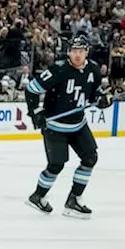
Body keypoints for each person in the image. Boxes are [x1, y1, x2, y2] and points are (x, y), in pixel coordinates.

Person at [25, 35, 112, 217]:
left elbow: (93, 94)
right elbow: (32, 89)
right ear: (68, 52)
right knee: (56, 165)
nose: (78, 55)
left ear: (86, 52)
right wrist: (36, 112)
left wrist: (101, 100)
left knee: (90, 158)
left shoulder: (94, 70)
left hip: (78, 124)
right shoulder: (59, 69)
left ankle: (74, 199)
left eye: (81, 51)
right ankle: (38, 196)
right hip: (55, 126)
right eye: (74, 51)